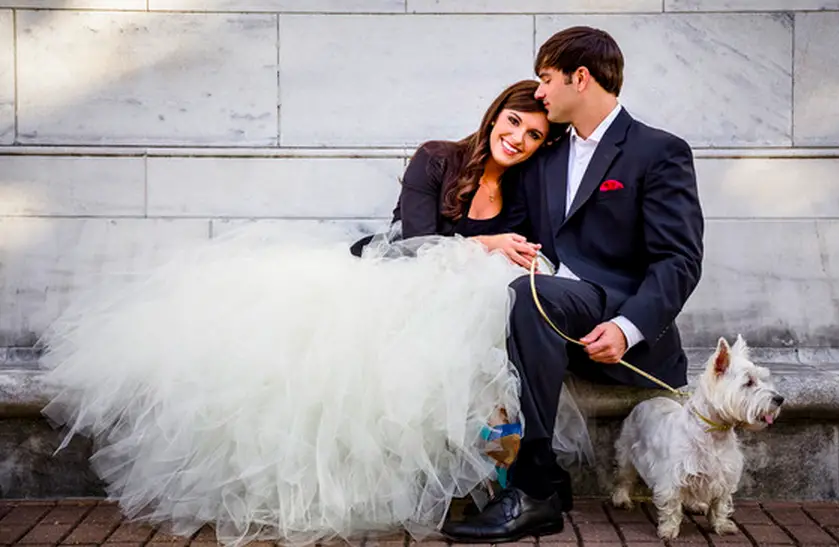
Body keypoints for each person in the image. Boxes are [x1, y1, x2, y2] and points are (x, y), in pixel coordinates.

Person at [37, 80, 588, 547]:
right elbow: (417, 242)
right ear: (495, 116)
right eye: (512, 122)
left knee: (495, 332)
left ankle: (494, 481)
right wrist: (488, 245)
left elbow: (532, 244)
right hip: (402, 276)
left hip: (472, 296)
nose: (517, 139)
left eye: (533, 135)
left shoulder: (525, 185)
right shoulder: (437, 157)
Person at [441, 26, 705, 543]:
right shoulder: (545, 157)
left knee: (528, 296)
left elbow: (679, 259)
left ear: (579, 78)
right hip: (550, 316)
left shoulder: (658, 151)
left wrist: (629, 328)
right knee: (510, 295)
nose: (539, 92)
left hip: (617, 319)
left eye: (546, 79)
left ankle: (533, 488)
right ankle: (539, 479)